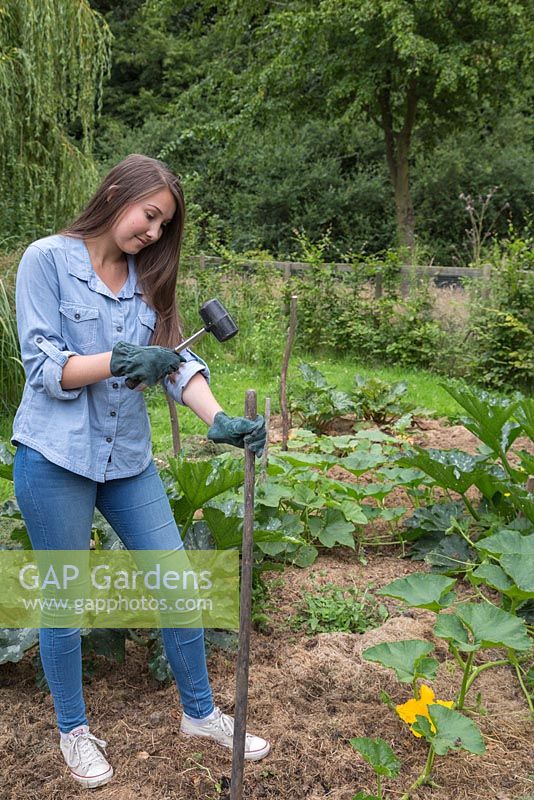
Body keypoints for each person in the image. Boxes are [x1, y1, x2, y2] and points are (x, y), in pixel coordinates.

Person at [11, 153, 270, 789]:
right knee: (65, 602)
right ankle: (74, 732)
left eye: (163, 226)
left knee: (178, 583)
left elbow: (177, 362)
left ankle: (201, 714)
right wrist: (117, 359)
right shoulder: (45, 260)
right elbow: (44, 367)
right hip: (54, 456)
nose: (153, 233)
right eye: (149, 216)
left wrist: (216, 422)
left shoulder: (146, 277)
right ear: (116, 192)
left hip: (127, 457)